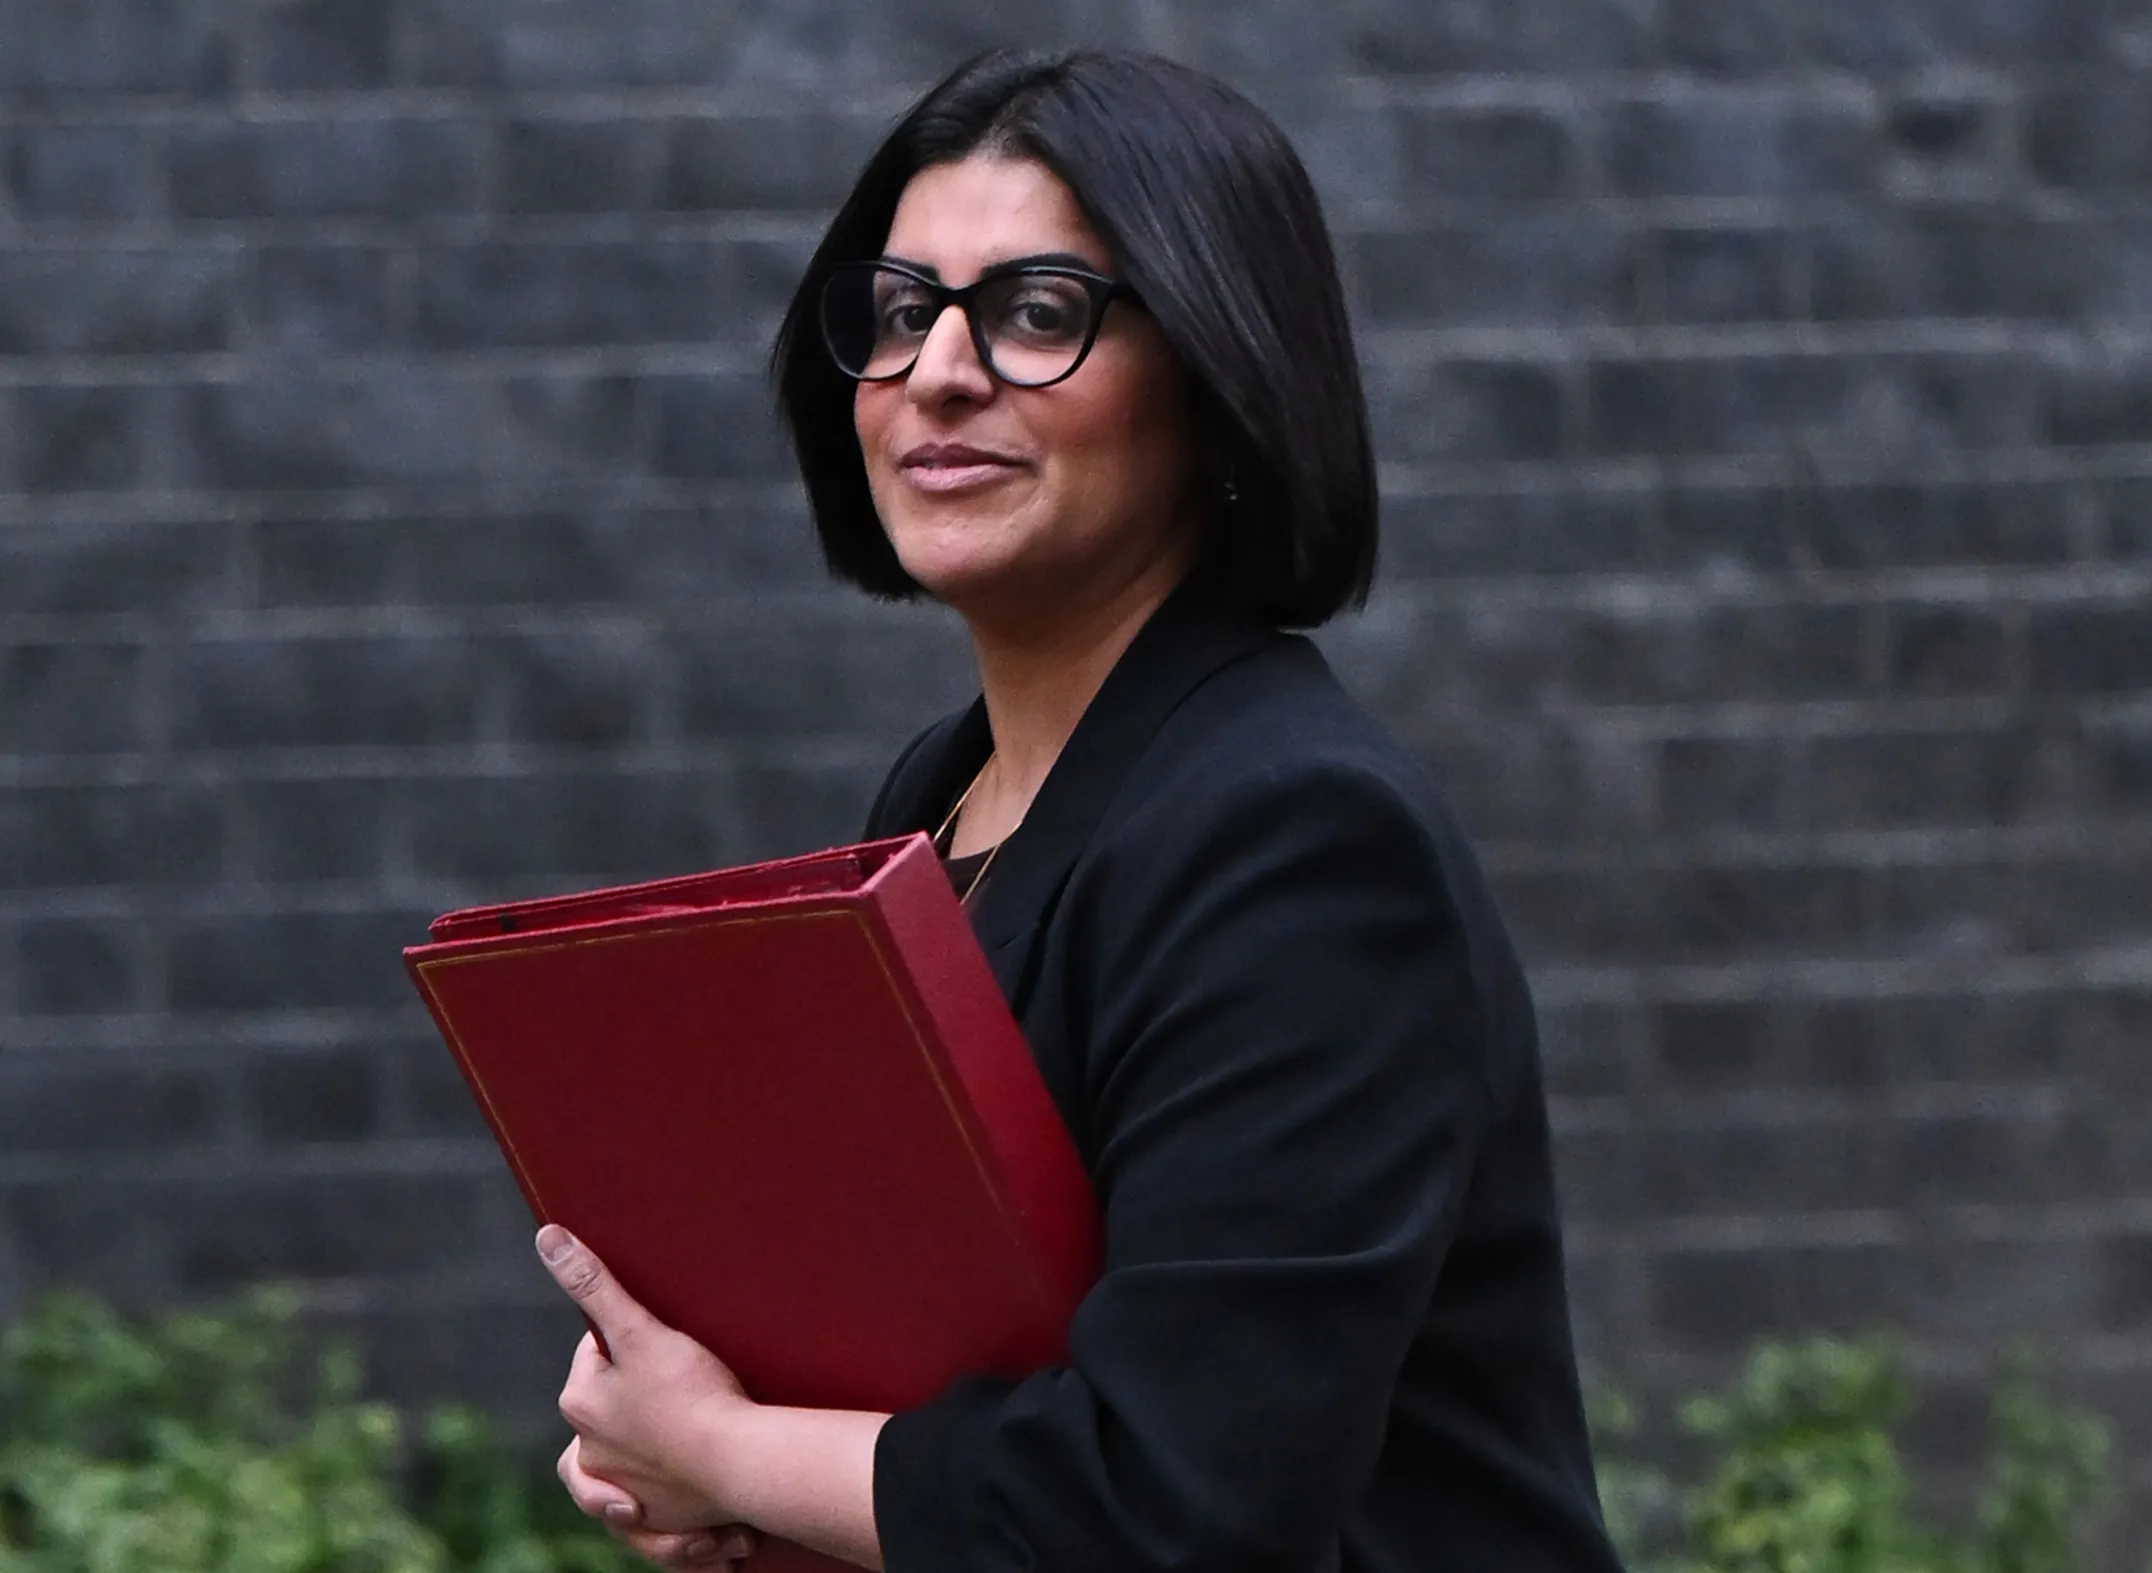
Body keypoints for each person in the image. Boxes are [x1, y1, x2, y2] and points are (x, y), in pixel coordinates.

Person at [532, 48, 1628, 1573]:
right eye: (901, 310)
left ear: (1220, 382)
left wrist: (723, 1450)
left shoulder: (1304, 846)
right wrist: (716, 1459)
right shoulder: (941, 796)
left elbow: (1172, 1512)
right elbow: (934, 1382)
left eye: (1038, 312)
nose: (939, 369)